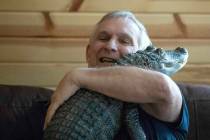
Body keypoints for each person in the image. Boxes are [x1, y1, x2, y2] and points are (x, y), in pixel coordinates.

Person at [44, 11, 189, 139]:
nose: (110, 46)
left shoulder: (164, 98)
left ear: (144, 52)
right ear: (88, 53)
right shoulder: (56, 102)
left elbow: (162, 87)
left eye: (125, 41)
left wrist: (75, 77)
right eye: (103, 38)